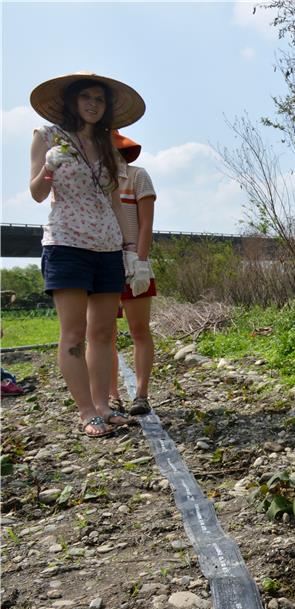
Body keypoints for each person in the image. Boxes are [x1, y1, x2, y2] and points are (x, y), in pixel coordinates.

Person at [29, 71, 145, 437]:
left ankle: (104, 406)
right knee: (74, 333)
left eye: (99, 99)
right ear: (72, 101)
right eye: (86, 98)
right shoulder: (47, 137)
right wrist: (48, 165)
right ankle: (87, 412)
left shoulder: (109, 146)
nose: (93, 105)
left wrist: (130, 251)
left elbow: (114, 200)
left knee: (104, 332)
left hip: (107, 246)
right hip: (66, 243)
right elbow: (35, 193)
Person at [107, 130, 157, 415]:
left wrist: (140, 261)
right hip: (102, 259)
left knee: (139, 330)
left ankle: (141, 393)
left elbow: (146, 223)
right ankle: (112, 395)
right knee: (105, 333)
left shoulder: (138, 176)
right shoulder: (93, 179)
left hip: (132, 260)